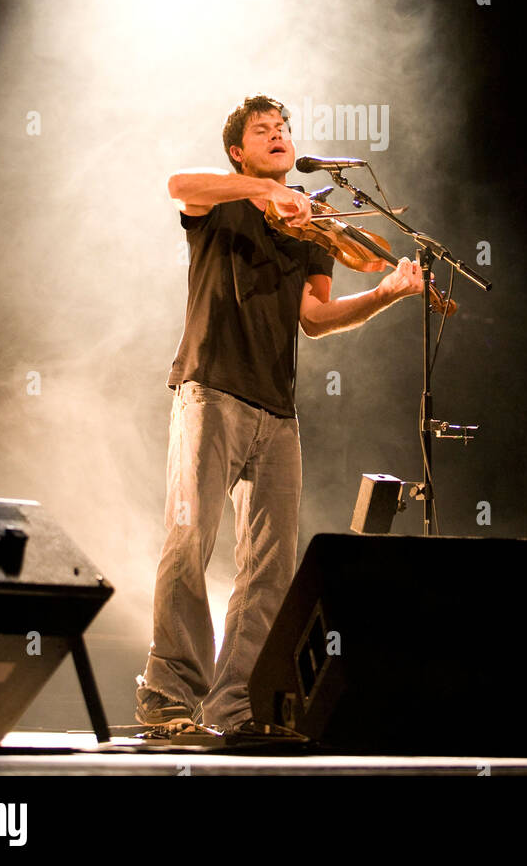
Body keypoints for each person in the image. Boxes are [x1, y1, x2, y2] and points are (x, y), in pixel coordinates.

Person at [134, 93, 423, 735]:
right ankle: (169, 694)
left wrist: (385, 292)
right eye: (263, 130)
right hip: (210, 387)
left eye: (285, 128)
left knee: (270, 565)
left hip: (278, 410)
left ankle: (236, 702)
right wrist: (259, 191)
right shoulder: (222, 198)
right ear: (238, 149)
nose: (279, 135)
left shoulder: (314, 223)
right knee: (190, 541)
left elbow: (316, 319)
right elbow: (176, 184)